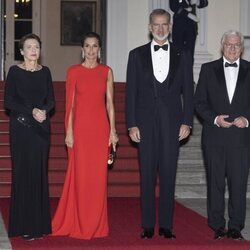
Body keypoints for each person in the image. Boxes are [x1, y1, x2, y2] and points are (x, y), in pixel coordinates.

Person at [125, 9, 194, 239]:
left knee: (168, 174)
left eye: (165, 24)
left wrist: (187, 121)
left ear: (171, 27)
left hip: (173, 123)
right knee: (146, 175)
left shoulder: (182, 54)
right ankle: (147, 225)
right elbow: (131, 93)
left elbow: (189, 91)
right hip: (144, 124)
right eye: (156, 24)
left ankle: (165, 225)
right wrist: (131, 124)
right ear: (149, 27)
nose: (161, 29)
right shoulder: (135, 55)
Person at [52, 32, 118, 239]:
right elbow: (69, 105)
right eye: (87, 46)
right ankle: (77, 222)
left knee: (98, 179)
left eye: (94, 46)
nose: (91, 50)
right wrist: (68, 132)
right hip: (80, 131)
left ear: (99, 50)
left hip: (100, 130)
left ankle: (96, 225)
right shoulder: (73, 72)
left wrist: (113, 131)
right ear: (82, 50)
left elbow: (110, 104)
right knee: (80, 177)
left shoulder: (106, 71)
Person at [195, 30, 250, 240]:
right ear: (222, 46)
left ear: (242, 48)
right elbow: (199, 101)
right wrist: (215, 118)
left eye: (237, 45)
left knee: (238, 184)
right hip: (214, 136)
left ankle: (236, 226)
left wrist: (246, 119)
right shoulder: (208, 69)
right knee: (215, 183)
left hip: (241, 138)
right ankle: (217, 225)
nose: (233, 49)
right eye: (229, 45)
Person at [4, 33, 55, 240]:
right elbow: (8, 102)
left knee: (39, 173)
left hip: (42, 128)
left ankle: (38, 225)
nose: (34, 50)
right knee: (23, 174)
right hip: (21, 128)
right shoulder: (14, 72)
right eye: (29, 47)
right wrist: (31, 110)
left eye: (36, 47)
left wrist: (43, 110)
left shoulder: (45, 72)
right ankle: (23, 225)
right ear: (22, 51)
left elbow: (51, 100)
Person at [170, 0, 208, 65]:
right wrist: (187, 14)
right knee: (177, 54)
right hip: (179, 28)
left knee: (190, 56)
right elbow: (173, 6)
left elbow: (205, 2)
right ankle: (177, 74)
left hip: (191, 28)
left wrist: (198, 2)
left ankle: (189, 74)